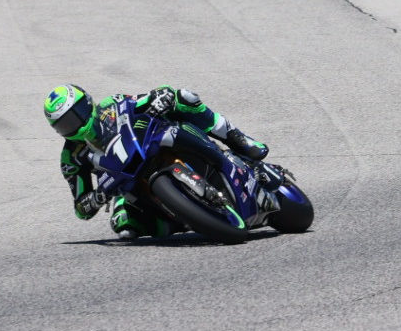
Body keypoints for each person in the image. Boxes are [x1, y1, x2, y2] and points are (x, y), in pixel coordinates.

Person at [44, 84, 268, 240]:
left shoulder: (112, 105)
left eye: (77, 114)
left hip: (151, 143)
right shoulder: (71, 158)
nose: (75, 124)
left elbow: (142, 100)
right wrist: (97, 198)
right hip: (126, 186)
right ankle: (183, 220)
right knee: (122, 225)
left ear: (88, 103)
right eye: (65, 124)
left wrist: (160, 97)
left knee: (184, 98)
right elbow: (81, 208)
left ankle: (238, 139)